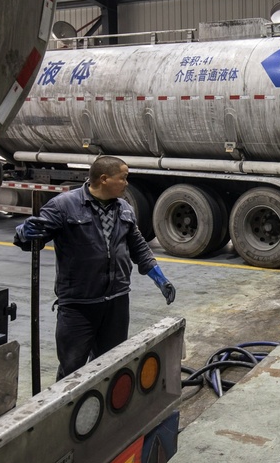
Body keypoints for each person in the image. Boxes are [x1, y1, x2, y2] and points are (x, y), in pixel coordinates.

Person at [13, 155, 176, 380]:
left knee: (111, 364)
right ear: (104, 179)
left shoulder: (124, 208)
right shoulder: (64, 206)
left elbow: (139, 247)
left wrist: (160, 279)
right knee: (72, 369)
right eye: (123, 178)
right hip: (79, 305)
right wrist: (23, 233)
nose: (126, 183)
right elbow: (34, 238)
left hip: (116, 302)